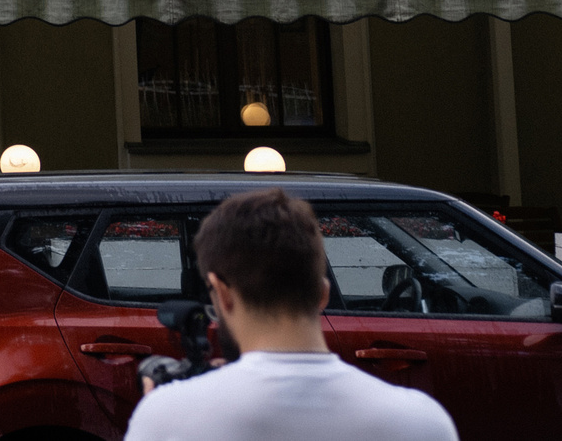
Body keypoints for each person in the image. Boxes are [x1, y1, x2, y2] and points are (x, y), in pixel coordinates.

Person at [126, 188, 454, 441]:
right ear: (322, 293)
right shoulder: (421, 420)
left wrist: (163, 410)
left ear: (221, 293)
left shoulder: (169, 415)